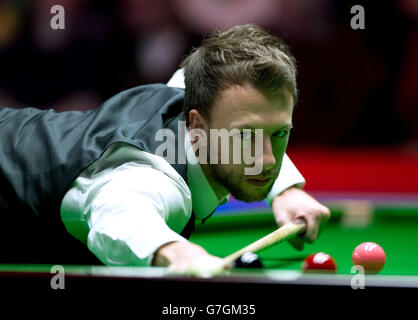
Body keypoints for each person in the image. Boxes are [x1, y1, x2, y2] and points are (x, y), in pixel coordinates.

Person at [0, 24, 329, 276]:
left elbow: (207, 86)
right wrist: (180, 254)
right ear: (197, 126)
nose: (267, 159)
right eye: (244, 137)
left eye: (280, 133)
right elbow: (120, 219)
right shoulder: (151, 180)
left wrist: (285, 189)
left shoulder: (200, 89)